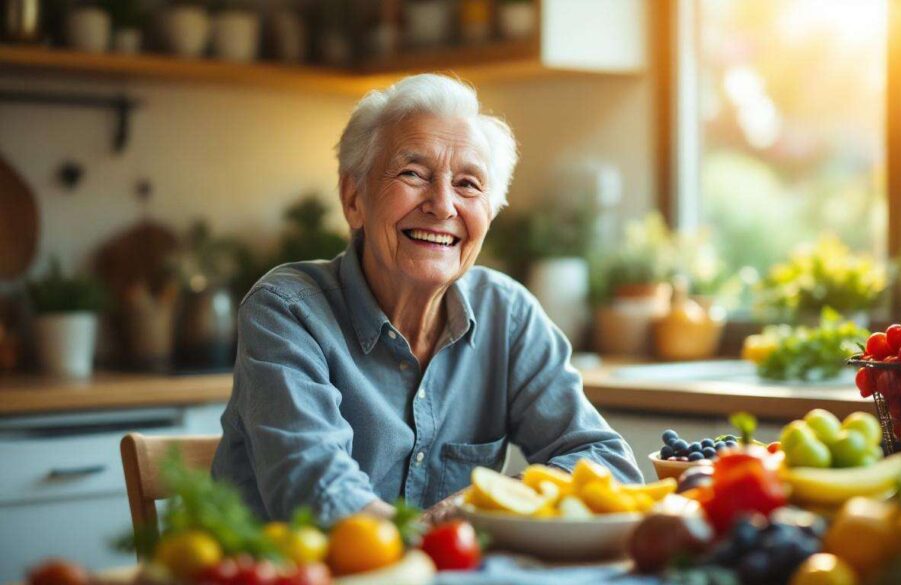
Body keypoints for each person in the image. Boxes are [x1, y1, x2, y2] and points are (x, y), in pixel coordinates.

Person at [212, 73, 642, 524]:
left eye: (469, 184)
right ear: (354, 198)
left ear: (489, 213)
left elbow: (605, 461)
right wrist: (442, 530)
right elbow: (318, 495)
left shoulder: (508, 315)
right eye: (413, 173)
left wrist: (485, 501)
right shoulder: (287, 310)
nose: (442, 205)